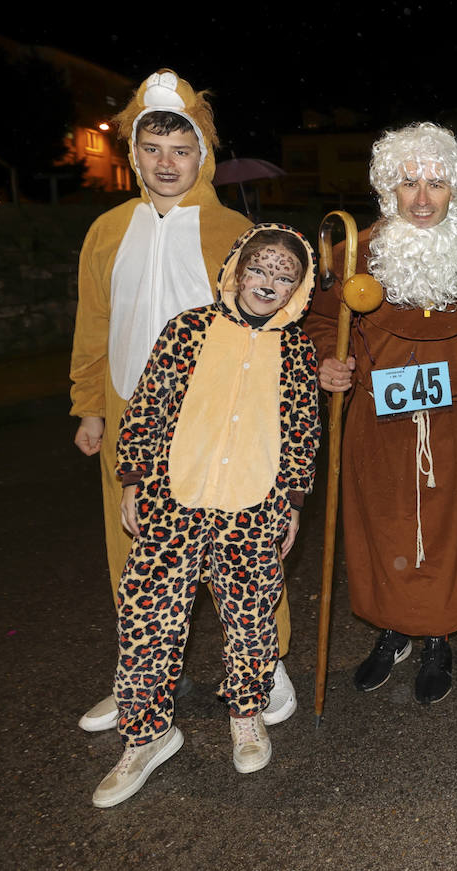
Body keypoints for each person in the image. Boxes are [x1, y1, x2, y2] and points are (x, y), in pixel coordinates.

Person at [70, 70, 297, 734]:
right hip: (125, 414)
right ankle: (139, 672)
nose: (167, 164)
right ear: (134, 153)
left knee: (238, 548)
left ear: (204, 153)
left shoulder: (233, 230)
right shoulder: (106, 232)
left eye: (182, 149)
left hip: (213, 419)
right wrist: (89, 406)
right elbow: (93, 323)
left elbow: (266, 331)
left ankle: (265, 664)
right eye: (153, 148)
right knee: (133, 548)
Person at [91, 224, 321, 807]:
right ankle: (146, 735)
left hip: (253, 506)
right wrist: (134, 478)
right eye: (260, 268)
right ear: (237, 268)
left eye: (285, 276)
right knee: (149, 619)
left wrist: (293, 502)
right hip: (174, 499)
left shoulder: (296, 349)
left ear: (299, 288)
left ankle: (246, 714)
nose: (269, 282)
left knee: (250, 618)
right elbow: (148, 405)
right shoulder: (188, 329)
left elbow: (301, 432)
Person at [305, 121, 457, 706]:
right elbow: (316, 322)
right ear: (389, 189)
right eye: (408, 183)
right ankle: (393, 629)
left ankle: (436, 635)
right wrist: (326, 364)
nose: (420, 199)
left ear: (455, 190)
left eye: (435, 184)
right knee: (382, 525)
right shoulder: (353, 253)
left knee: (447, 528)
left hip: (454, 422)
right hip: (377, 423)